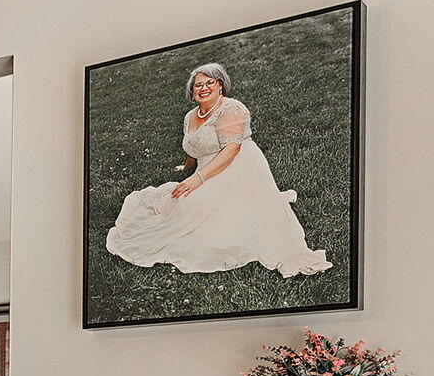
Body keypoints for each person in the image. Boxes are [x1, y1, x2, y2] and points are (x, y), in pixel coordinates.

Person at [104, 62, 331, 277]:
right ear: (192, 91)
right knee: (174, 205)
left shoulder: (231, 109)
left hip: (237, 168)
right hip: (207, 169)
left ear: (221, 85)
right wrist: (189, 165)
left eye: (209, 83)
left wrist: (197, 179)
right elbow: (194, 144)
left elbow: (231, 150)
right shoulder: (191, 116)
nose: (203, 89)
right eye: (198, 85)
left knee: (200, 220)